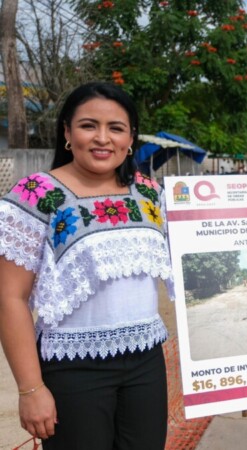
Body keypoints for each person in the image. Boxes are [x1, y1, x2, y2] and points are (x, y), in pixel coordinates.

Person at [0, 82, 173, 448]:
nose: (102, 139)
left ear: (130, 138)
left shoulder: (149, 193)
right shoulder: (37, 194)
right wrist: (31, 388)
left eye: (116, 128)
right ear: (66, 132)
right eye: (88, 125)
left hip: (146, 364)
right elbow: (9, 297)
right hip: (72, 367)